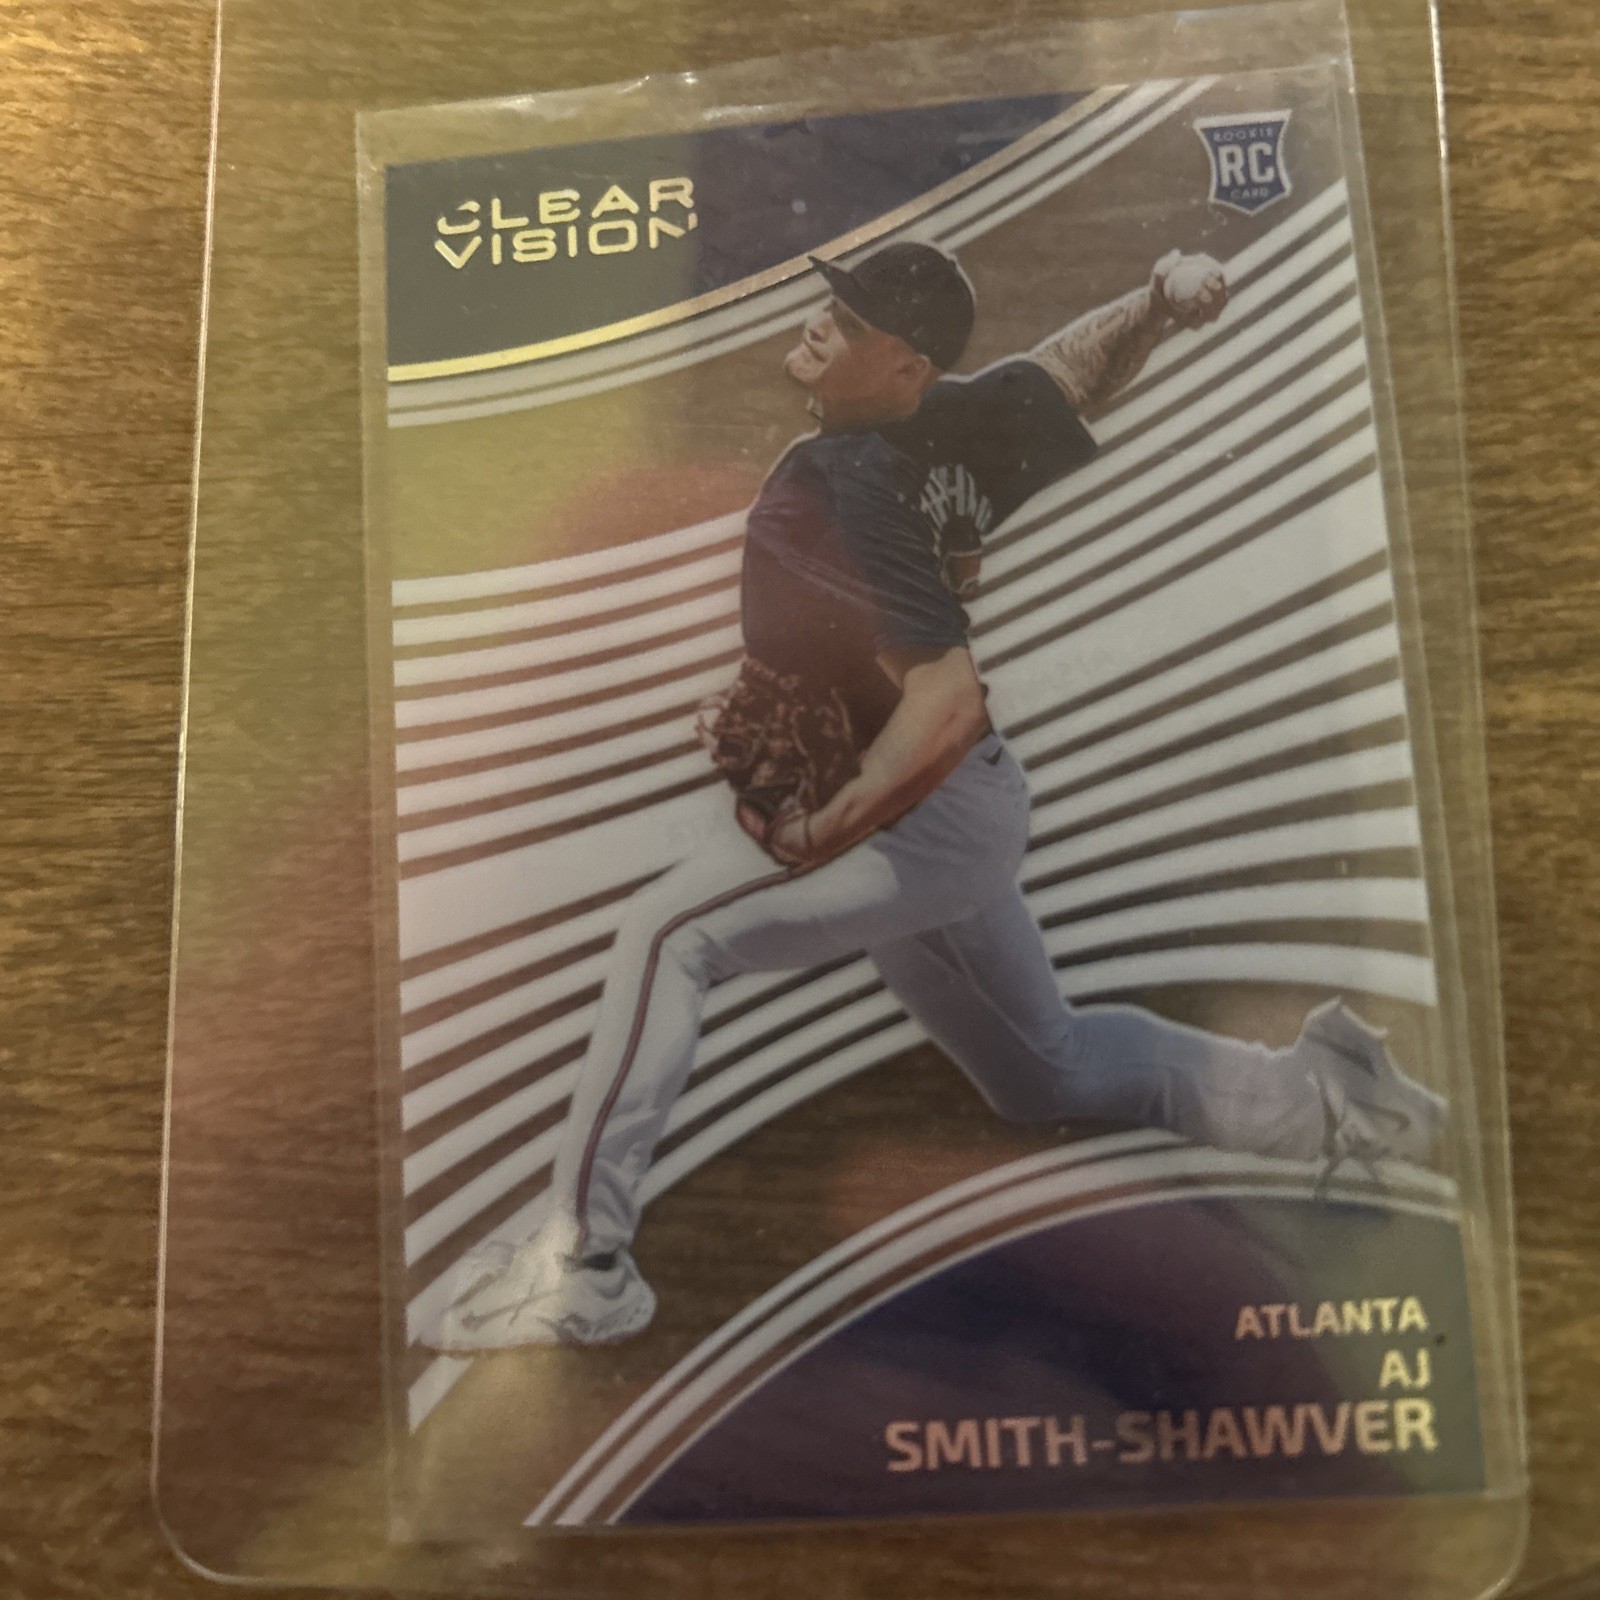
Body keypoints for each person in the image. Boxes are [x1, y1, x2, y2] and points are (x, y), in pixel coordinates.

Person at [431, 240, 1447, 1354]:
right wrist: (1155, 304)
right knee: (1040, 1068)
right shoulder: (947, 423)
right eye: (832, 301)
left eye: (851, 319)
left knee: (669, 934)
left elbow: (947, 701)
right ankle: (1324, 1095)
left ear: (903, 367)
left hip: (921, 808)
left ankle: (584, 1265)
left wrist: (831, 825)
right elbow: (1066, 375)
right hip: (959, 808)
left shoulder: (841, 489)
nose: (820, 321)